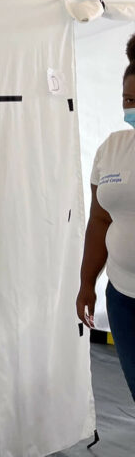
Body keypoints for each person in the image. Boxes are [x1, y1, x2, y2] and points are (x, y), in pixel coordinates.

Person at [76, 32, 135, 402]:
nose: (133, 107)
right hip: (124, 298)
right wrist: (87, 283)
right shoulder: (113, 148)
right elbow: (100, 221)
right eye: (130, 100)